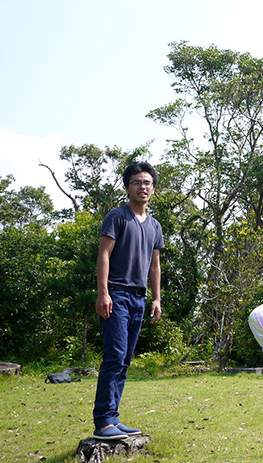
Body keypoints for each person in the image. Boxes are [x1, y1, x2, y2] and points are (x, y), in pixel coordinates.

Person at [92, 162, 164, 441]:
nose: (142, 187)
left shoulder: (155, 225)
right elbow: (104, 255)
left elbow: (154, 266)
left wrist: (156, 298)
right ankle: (103, 422)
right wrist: (103, 292)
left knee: (125, 360)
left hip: (139, 299)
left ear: (153, 188)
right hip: (116, 296)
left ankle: (113, 418)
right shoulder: (117, 217)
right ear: (127, 187)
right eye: (137, 182)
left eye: (147, 182)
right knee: (114, 356)